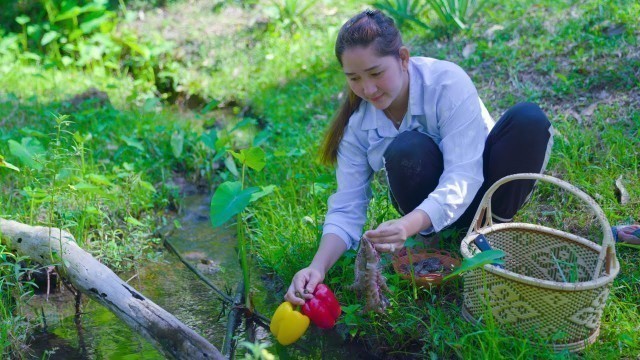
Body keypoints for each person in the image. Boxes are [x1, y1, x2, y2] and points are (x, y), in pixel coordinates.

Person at [284, 9, 638, 306]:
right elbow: (347, 207)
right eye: (354, 79)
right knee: (407, 148)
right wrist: (318, 268)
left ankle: (493, 227)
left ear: (403, 58)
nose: (368, 89)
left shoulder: (445, 83)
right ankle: (434, 237)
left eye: (376, 73)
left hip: (486, 189)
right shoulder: (359, 126)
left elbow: (464, 177)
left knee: (529, 120)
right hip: (425, 212)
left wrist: (405, 227)